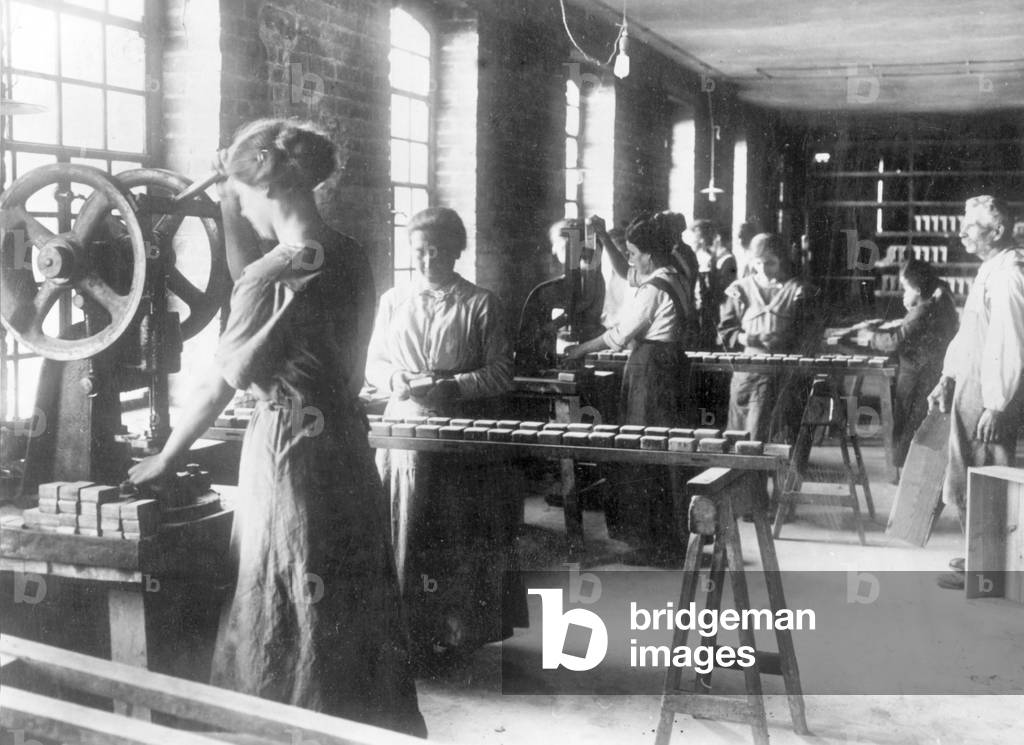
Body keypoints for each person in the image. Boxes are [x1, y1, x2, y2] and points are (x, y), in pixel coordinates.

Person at [127, 119, 426, 735]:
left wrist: (166, 456)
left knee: (282, 593)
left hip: (288, 454)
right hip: (343, 444)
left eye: (241, 198)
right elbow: (277, 297)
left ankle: (284, 727)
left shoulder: (271, 276)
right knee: (346, 592)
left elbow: (217, 382)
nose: (240, 210)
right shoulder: (349, 253)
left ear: (265, 193)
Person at [366, 207, 526, 662]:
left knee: (453, 530)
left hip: (460, 431)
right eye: (419, 251)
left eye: (438, 250)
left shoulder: (480, 303)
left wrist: (453, 385)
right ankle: (407, 633)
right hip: (404, 430)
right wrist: (395, 380)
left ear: (457, 251)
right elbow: (373, 363)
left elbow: (501, 373)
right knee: (406, 526)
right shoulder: (393, 300)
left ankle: (455, 633)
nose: (428, 259)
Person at [564, 212, 697, 557]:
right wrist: (605, 238)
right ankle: (672, 535)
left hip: (651, 371)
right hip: (669, 366)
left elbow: (620, 335)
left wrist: (580, 350)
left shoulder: (654, 288)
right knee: (664, 447)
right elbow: (627, 274)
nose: (632, 260)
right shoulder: (676, 276)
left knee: (644, 447)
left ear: (649, 256)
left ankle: (653, 541)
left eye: (635, 253)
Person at [927, 196, 1024, 590]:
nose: (962, 232)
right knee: (967, 474)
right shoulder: (990, 268)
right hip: (971, 388)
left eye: (972, 226)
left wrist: (996, 403)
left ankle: (990, 572)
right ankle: (978, 559)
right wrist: (947, 376)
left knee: (988, 475)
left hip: (989, 395)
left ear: (998, 231)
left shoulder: (1011, 274)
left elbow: (1010, 342)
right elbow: (970, 334)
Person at [719, 232, 819, 442]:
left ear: (782, 261)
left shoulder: (797, 290)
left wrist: (787, 341)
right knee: (740, 436)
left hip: (783, 372)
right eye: (758, 263)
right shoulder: (740, 289)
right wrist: (748, 339)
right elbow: (725, 331)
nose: (764, 269)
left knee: (772, 435)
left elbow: (808, 333)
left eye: (771, 263)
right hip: (747, 372)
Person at [867, 259, 959, 470]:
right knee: (918, 421)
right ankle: (910, 467)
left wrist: (869, 337)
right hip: (931, 370)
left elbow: (894, 341)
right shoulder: (941, 297)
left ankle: (901, 468)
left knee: (907, 420)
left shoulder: (922, 310)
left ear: (917, 289)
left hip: (915, 374)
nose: (903, 294)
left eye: (905, 288)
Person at [515, 218, 605, 372]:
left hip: (582, 346)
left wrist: (553, 326)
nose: (555, 249)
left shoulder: (589, 276)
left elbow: (582, 312)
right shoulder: (552, 285)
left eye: (562, 245)